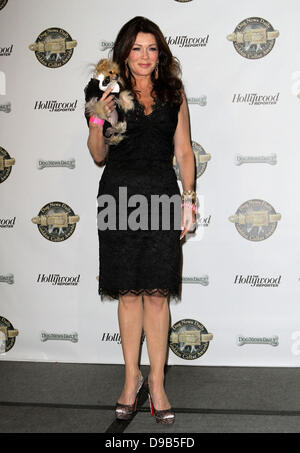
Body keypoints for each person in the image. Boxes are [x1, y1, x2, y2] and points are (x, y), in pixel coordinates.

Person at [86, 16, 197, 425]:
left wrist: (189, 199)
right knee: (129, 293)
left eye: (151, 48)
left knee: (156, 293)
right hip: (118, 198)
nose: (145, 57)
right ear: (124, 53)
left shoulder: (173, 92)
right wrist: (100, 115)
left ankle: (158, 381)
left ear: (160, 53)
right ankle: (131, 378)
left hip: (162, 198)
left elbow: (183, 152)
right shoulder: (106, 90)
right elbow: (98, 152)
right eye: (137, 48)